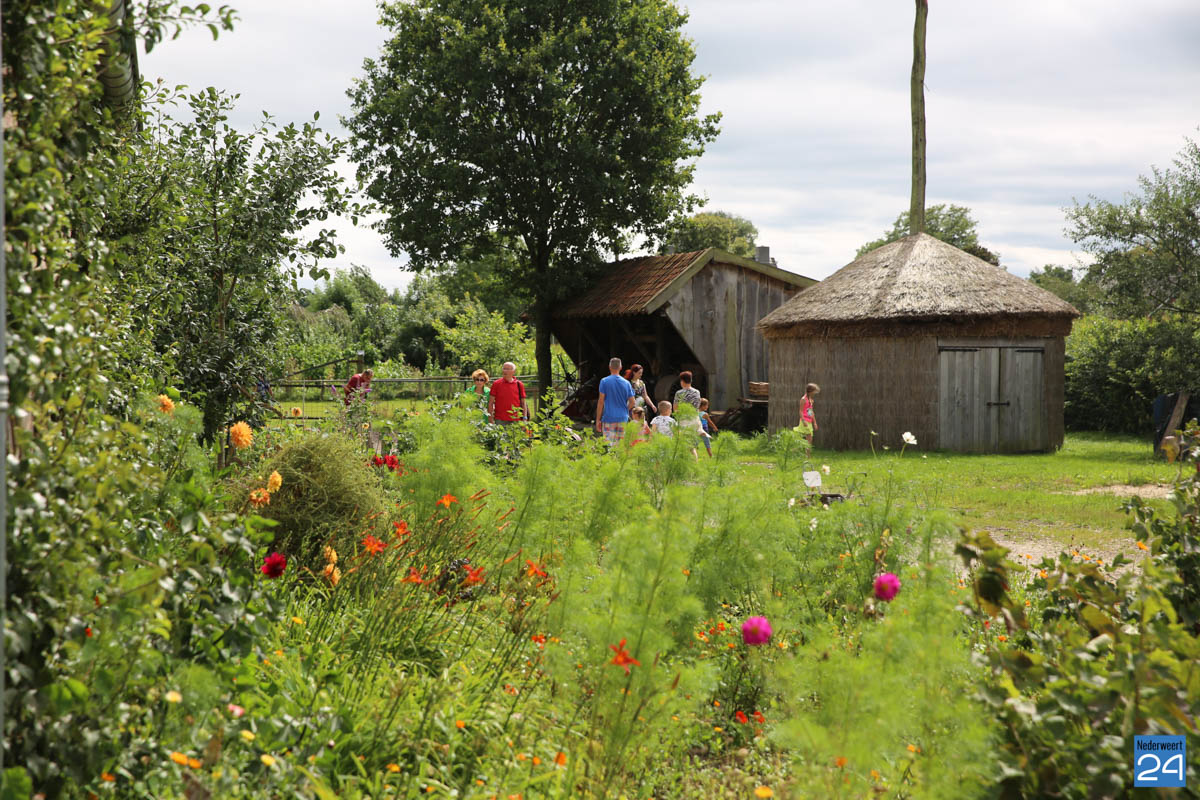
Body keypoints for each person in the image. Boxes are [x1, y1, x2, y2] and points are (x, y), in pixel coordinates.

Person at [595, 356, 635, 445]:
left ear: (609, 367)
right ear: (620, 368)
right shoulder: (627, 383)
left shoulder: (604, 381)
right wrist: (625, 410)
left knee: (609, 446)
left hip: (609, 417)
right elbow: (633, 402)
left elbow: (601, 402)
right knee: (620, 446)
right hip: (623, 418)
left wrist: (598, 420)